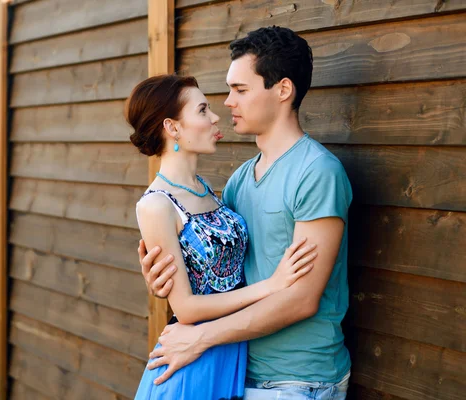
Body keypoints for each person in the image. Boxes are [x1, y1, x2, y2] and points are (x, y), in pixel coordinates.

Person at [138, 26, 353, 399]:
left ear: (283, 90)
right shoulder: (238, 181)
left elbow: (302, 298)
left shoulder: (317, 172)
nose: (227, 103)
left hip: (297, 380)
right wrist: (166, 279)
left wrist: (199, 337)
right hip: (236, 370)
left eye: (240, 90)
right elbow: (223, 269)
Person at [126, 74, 318, 400]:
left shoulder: (210, 191)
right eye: (202, 110)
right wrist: (272, 285)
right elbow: (185, 308)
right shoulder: (156, 204)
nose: (215, 117)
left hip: (228, 353)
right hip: (191, 363)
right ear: (172, 128)